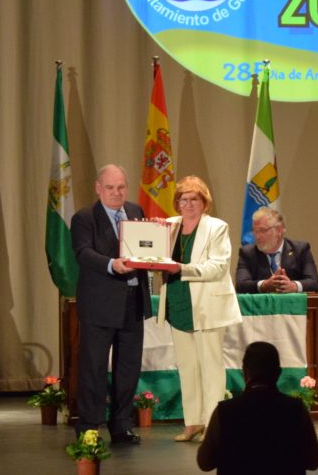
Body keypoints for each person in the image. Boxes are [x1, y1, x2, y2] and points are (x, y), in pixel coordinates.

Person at [158, 176, 243, 442]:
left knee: (211, 368)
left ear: (204, 202)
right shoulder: (167, 226)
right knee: (187, 367)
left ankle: (213, 426)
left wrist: (181, 268)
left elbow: (218, 267)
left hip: (208, 306)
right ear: (177, 203)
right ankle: (192, 422)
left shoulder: (217, 227)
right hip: (177, 303)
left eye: (194, 199)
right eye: (183, 199)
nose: (188, 204)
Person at [71, 164, 150, 443]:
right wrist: (111, 265)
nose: (117, 193)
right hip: (100, 305)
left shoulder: (136, 211)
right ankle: (90, 426)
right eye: (110, 187)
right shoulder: (84, 218)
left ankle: (121, 425)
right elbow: (83, 253)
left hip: (133, 302)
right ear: (98, 188)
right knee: (93, 367)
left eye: (121, 187)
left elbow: (146, 247)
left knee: (128, 368)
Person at [197, 341, 318, 474]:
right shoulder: (296, 410)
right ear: (278, 373)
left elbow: (205, 463)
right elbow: (314, 462)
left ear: (245, 372)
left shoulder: (224, 411)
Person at [235, 207, 318, 293]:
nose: (257, 236)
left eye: (262, 230)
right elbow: (240, 285)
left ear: (279, 230)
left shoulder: (300, 250)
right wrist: (264, 285)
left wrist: (293, 286)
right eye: (254, 231)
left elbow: (314, 283)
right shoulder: (248, 253)